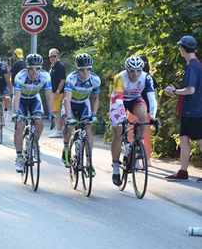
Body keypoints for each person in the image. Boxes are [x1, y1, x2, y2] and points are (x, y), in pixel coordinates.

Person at [109, 55, 158, 186]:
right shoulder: (120, 77)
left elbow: (152, 98)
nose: (135, 74)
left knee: (143, 115)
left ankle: (138, 143)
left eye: (138, 71)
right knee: (118, 132)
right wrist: (122, 117)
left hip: (135, 99)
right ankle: (115, 167)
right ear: (127, 69)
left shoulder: (147, 77)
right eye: (132, 71)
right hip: (119, 101)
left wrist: (153, 116)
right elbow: (119, 99)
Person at [164, 36, 202, 181]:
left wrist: (174, 91)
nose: (179, 49)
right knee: (184, 140)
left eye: (180, 47)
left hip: (194, 110)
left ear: (183, 48)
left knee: (200, 141)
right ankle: (183, 171)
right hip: (189, 110)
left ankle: (183, 171)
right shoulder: (196, 64)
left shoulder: (192, 65)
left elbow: (190, 89)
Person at [12, 54, 54, 173]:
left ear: (41, 68)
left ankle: (34, 144)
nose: (34, 72)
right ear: (26, 67)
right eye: (31, 68)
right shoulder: (20, 76)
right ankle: (19, 157)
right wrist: (16, 114)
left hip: (34, 99)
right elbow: (16, 96)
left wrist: (51, 113)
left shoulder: (45, 76)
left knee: (39, 122)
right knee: (20, 125)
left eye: (37, 68)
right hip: (21, 100)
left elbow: (48, 96)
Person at [61, 53, 101, 173]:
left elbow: (95, 98)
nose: (85, 72)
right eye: (82, 70)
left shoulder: (95, 80)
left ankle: (89, 162)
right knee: (70, 126)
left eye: (88, 69)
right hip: (71, 104)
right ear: (77, 69)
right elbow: (67, 99)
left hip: (84, 103)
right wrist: (69, 117)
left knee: (88, 129)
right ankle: (66, 148)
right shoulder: (71, 79)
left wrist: (94, 114)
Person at [48, 48, 66, 138]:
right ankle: (59, 129)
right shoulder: (53, 66)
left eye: (54, 56)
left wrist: (58, 91)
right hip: (53, 92)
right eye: (50, 56)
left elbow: (63, 79)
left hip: (58, 93)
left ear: (58, 56)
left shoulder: (60, 66)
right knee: (56, 112)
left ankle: (58, 131)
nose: (52, 58)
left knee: (57, 112)